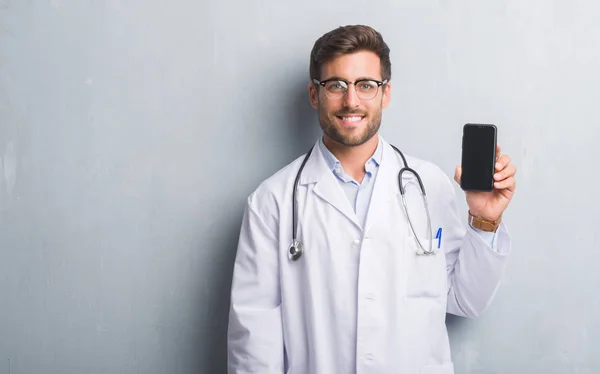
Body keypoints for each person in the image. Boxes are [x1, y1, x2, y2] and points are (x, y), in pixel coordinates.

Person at [227, 25, 517, 374]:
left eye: (366, 85)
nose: (351, 101)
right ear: (314, 94)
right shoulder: (272, 203)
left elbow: (466, 300)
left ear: (386, 94)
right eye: (336, 85)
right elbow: (254, 344)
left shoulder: (429, 187)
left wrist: (485, 221)